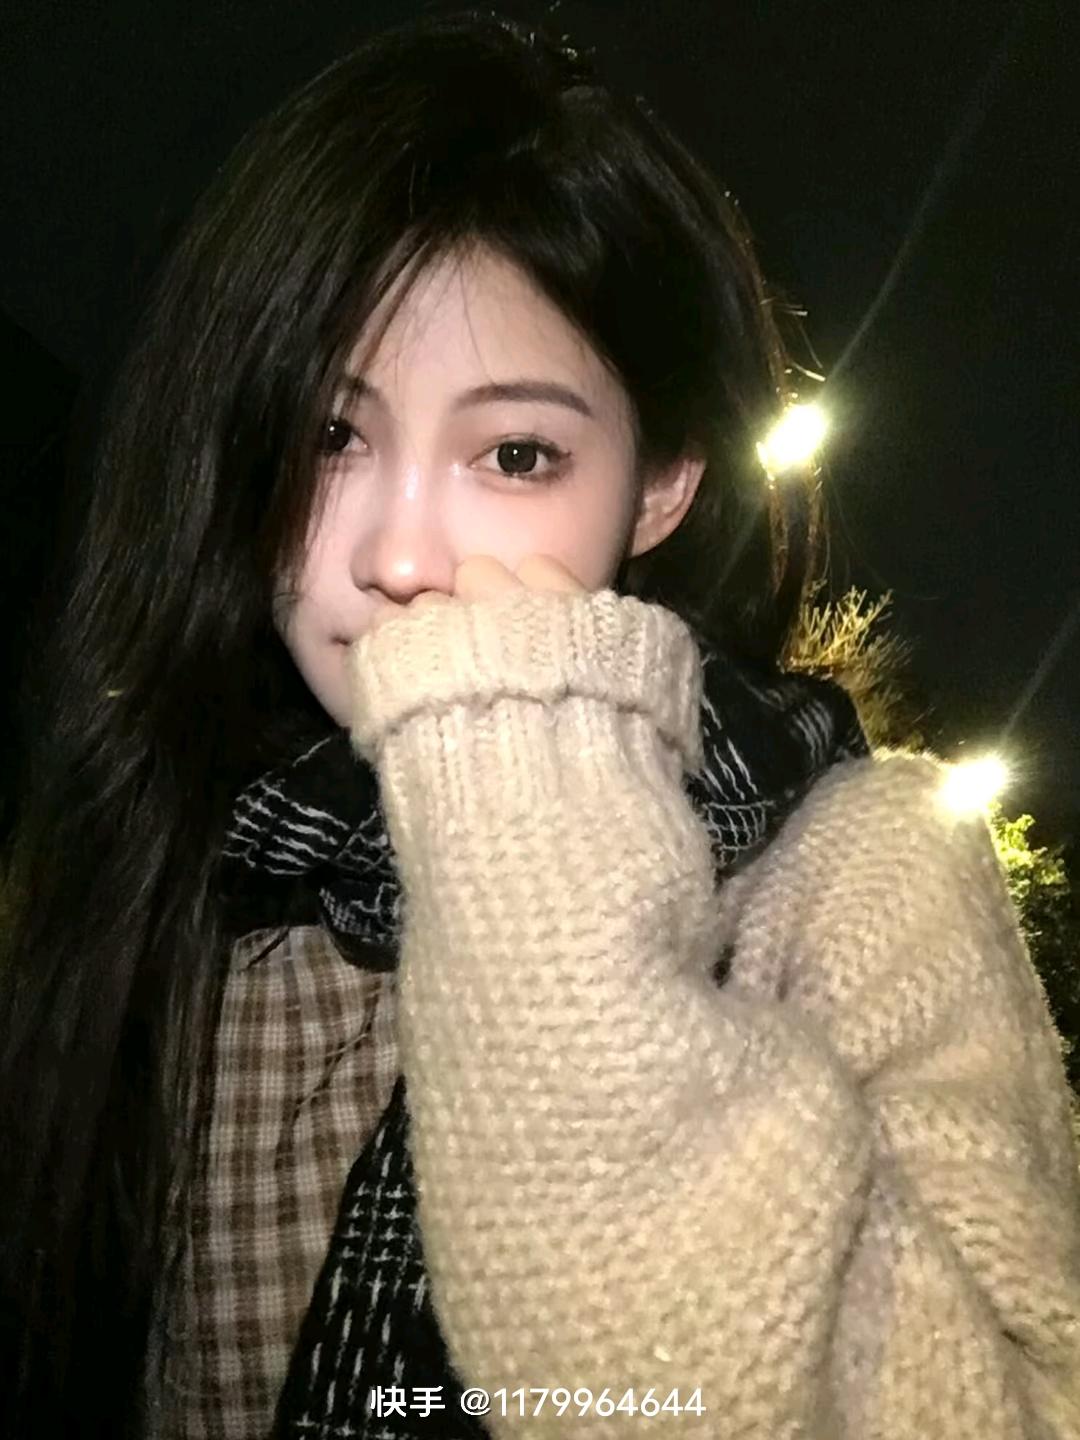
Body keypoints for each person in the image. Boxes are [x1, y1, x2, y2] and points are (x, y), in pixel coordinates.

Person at [2, 8, 1078, 1439]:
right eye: (329, 435)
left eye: (516, 453)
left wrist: (531, 805)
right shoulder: (169, 851)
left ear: (661, 485)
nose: (398, 556)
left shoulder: (861, 871)